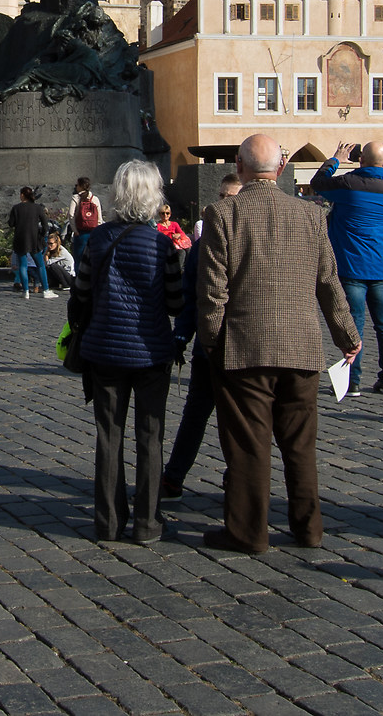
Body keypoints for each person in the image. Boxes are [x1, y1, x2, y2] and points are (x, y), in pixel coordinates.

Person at [197, 134, 361, 553]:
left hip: (246, 349)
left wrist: (212, 343)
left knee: (250, 447)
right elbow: (328, 282)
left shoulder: (223, 213)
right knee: (300, 446)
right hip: (301, 348)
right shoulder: (310, 215)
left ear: (238, 166)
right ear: (282, 168)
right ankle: (309, 528)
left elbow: (214, 293)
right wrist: (348, 336)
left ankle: (248, 532)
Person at [75, 160, 187, 545]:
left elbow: (82, 293)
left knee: (109, 437)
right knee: (150, 438)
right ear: (153, 196)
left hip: (104, 351)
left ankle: (107, 522)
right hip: (151, 352)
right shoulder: (161, 244)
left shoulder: (99, 240)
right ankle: (147, 523)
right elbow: (175, 303)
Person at [163, 173, 243, 499]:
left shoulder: (249, 243)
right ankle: (173, 477)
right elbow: (189, 296)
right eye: (221, 196)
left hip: (241, 348)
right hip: (208, 349)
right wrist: (181, 336)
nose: (222, 203)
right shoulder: (201, 245)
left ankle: (237, 475)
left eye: (230, 198)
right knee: (195, 413)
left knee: (237, 419)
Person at [311, 142, 383, 395]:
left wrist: (336, 160)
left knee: (354, 324)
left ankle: (352, 382)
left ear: (361, 159)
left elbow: (318, 183)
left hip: (352, 264)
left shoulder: (348, 183)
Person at [9, 187, 50, 300]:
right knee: (40, 265)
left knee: (22, 265)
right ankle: (46, 290)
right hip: (34, 239)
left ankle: (25, 291)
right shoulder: (37, 208)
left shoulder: (16, 208)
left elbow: (11, 223)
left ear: (22, 195)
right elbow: (45, 225)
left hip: (20, 239)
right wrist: (41, 235)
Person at [72, 177, 103, 257]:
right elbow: (99, 217)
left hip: (80, 232)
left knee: (79, 258)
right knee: (92, 258)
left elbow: (71, 215)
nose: (76, 187)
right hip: (94, 232)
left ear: (81, 186)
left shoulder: (76, 198)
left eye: (77, 185)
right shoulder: (95, 199)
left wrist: (75, 230)